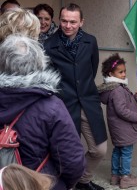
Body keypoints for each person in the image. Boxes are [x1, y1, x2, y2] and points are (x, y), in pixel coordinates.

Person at [0, 34, 85, 190]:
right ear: (39, 63)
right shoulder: (51, 107)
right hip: (40, 183)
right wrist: (63, 185)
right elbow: (72, 162)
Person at [43, 3, 108, 190]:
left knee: (99, 149)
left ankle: (83, 180)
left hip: (88, 102)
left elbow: (92, 69)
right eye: (64, 21)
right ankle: (69, 185)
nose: (68, 25)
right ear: (59, 20)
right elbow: (50, 78)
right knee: (67, 153)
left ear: (81, 22)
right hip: (64, 105)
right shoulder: (48, 45)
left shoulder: (91, 41)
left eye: (73, 21)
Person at [97, 53, 137, 189]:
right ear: (111, 73)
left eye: (124, 71)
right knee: (126, 152)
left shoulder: (115, 88)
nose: (124, 74)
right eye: (120, 72)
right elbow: (122, 110)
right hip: (123, 128)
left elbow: (125, 104)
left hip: (118, 129)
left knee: (118, 151)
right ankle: (125, 178)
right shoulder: (117, 89)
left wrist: (135, 98)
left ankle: (115, 176)